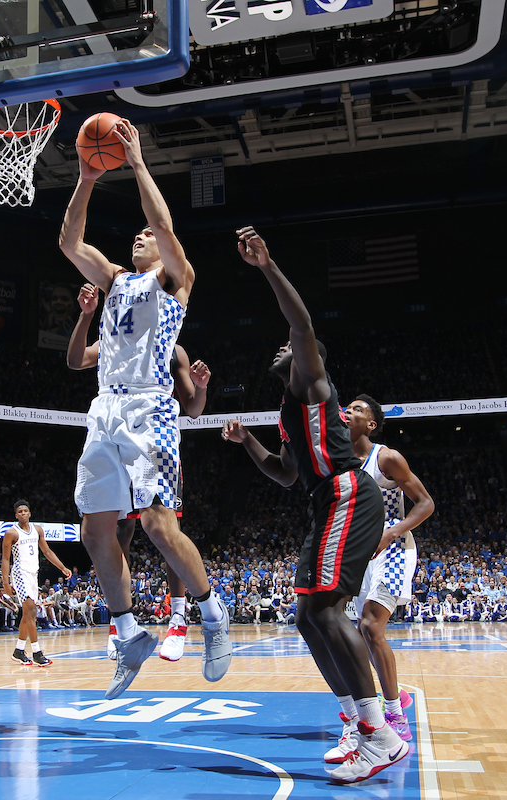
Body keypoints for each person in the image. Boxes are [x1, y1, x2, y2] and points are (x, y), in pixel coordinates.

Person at [221, 227, 407, 784]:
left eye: (291, 350)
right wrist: (247, 442)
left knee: (327, 610)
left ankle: (382, 736)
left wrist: (268, 267)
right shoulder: (288, 410)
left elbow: (300, 326)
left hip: (349, 493)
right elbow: (283, 474)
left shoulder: (311, 382)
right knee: (306, 616)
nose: (283, 350)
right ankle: (355, 719)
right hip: (324, 501)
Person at [58, 117, 231, 699]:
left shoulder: (175, 281)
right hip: (104, 410)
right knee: (94, 530)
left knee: (158, 525)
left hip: (150, 410)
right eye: (135, 234)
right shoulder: (113, 280)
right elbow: (69, 243)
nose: (139, 235)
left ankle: (211, 614)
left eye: (146, 236)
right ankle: (128, 630)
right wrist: (85, 178)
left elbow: (162, 221)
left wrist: (134, 163)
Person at [67, 280, 211, 661]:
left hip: (151, 438)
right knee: (117, 528)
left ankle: (179, 619)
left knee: (163, 527)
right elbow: (76, 359)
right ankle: (122, 623)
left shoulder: (172, 347)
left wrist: (200, 388)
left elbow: (194, 409)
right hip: (115, 431)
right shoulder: (118, 332)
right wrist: (85, 316)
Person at [347, 394, 434, 743]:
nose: (348, 412)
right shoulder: (336, 459)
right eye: (347, 407)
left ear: (370, 424)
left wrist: (391, 532)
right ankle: (392, 695)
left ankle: (395, 714)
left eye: (358, 409)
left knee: (371, 625)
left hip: (393, 548)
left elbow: (425, 503)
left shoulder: (386, 457)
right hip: (358, 553)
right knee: (363, 634)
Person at [3, 500, 72, 667]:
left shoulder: (37, 530)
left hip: (33, 574)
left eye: (25, 511)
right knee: (32, 611)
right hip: (20, 574)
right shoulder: (12, 533)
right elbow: (5, 559)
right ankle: (37, 653)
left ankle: (19, 651)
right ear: (16, 515)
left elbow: (47, 551)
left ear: (30, 513)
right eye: (19, 511)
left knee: (27, 614)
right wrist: (6, 582)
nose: (23, 513)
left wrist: (62, 567)